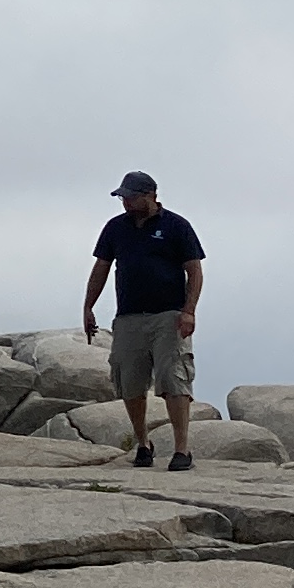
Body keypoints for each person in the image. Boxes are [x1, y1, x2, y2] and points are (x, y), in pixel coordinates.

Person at [82, 169, 207, 470]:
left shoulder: (176, 226)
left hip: (169, 315)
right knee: (129, 382)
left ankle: (182, 450)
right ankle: (143, 444)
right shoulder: (115, 228)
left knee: (174, 379)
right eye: (122, 197)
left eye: (131, 197)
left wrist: (189, 311)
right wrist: (88, 307)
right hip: (129, 316)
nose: (125, 202)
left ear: (150, 195)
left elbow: (194, 270)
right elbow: (101, 268)